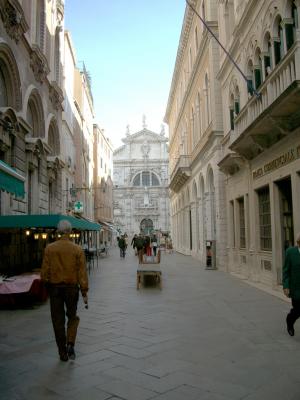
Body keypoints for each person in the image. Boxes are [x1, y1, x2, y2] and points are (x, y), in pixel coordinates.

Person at [41, 220, 88, 361]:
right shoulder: (77, 249)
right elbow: (82, 273)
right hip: (72, 289)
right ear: (70, 232)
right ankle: (70, 343)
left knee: (57, 321)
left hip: (55, 289)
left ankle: (62, 352)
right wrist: (84, 291)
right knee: (73, 317)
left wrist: (47, 286)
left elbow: (44, 273)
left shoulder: (50, 248)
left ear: (58, 232)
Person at [282, 233, 300, 336]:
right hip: (296, 288)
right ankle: (290, 321)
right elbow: (286, 271)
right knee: (297, 311)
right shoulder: (290, 252)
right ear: (298, 243)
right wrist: (286, 286)